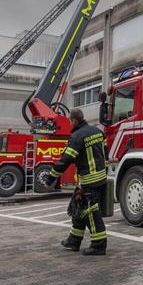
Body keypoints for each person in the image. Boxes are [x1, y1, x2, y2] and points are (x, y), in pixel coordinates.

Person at [47, 107, 109, 255]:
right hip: (100, 178)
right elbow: (105, 153)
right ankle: (74, 240)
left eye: (70, 121)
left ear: (74, 120)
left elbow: (66, 160)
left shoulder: (77, 137)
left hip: (89, 181)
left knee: (91, 213)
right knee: (79, 209)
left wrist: (51, 177)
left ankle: (98, 246)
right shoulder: (98, 132)